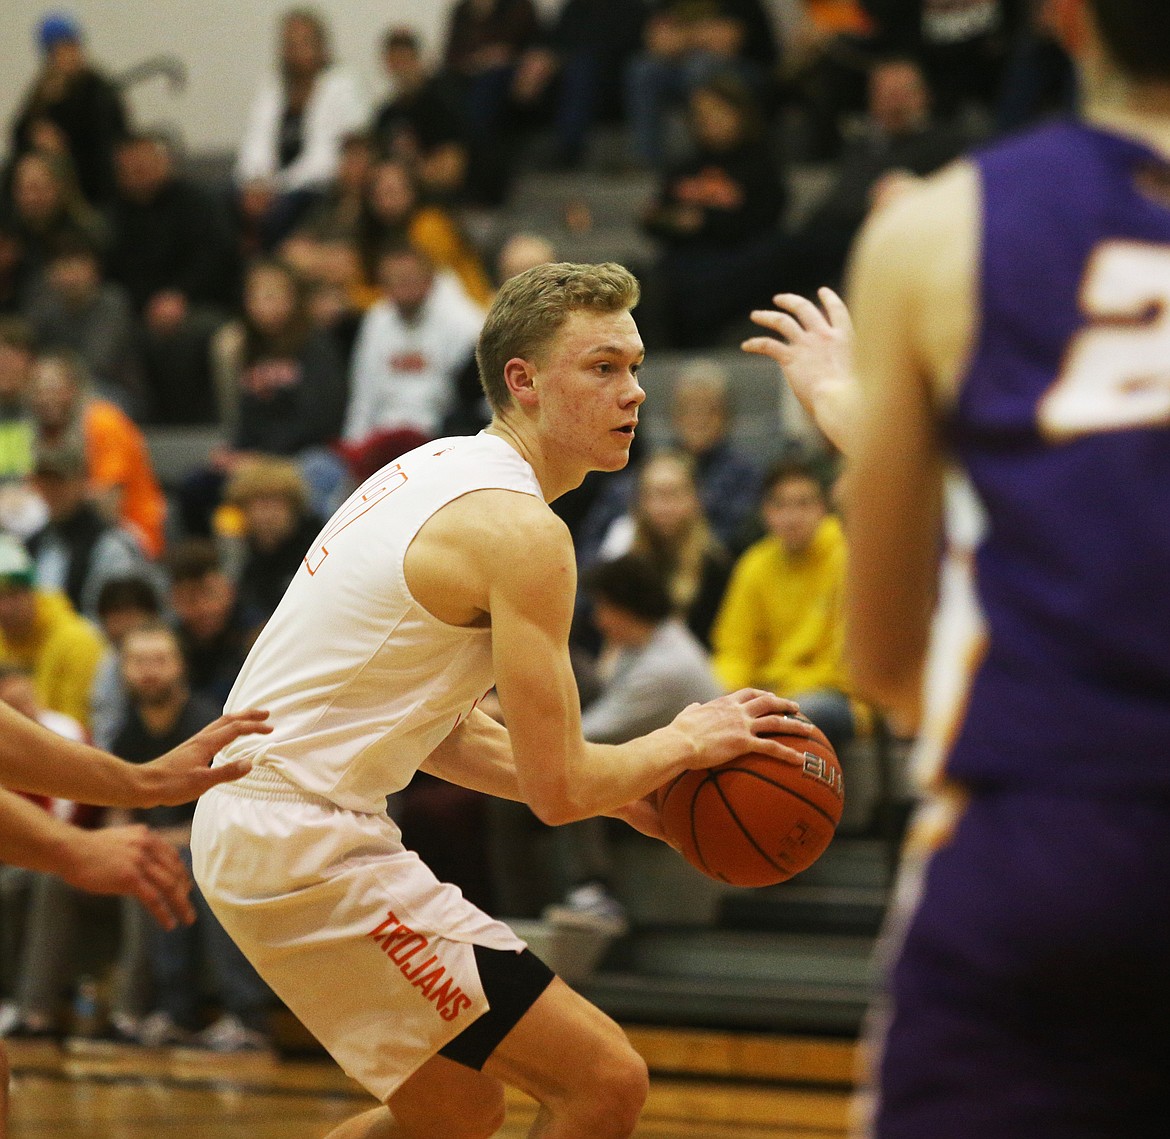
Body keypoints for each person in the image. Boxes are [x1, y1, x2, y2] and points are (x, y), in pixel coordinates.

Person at [191, 260, 808, 1138]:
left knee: (453, 1111)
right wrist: (684, 740)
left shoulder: (437, 469)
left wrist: (628, 792)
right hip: (301, 839)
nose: (633, 392)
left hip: (263, 824)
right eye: (602, 368)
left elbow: (440, 733)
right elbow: (558, 790)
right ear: (522, 381)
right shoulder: (523, 533)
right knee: (602, 1083)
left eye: (634, 367)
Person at [745, 3, 1170, 1135]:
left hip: (1055, 845)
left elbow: (883, 655)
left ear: (1068, 20)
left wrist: (862, 412)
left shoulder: (943, 228)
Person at [112, 623, 272, 1051]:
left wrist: (153, 839)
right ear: (123, 669)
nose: (149, 672)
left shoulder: (204, 723)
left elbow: (223, 803)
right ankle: (166, 1014)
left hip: (224, 839)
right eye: (139, 661)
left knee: (186, 868)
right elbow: (117, 812)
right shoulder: (126, 733)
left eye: (159, 660)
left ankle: (246, 1017)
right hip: (166, 844)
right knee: (142, 863)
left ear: (180, 666)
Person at [709, 456, 857, 757]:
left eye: (803, 504)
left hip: (837, 699)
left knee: (790, 716)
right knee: (703, 709)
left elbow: (846, 668)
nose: (792, 516)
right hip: (770, 693)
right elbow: (733, 651)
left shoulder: (848, 558)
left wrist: (776, 694)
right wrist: (729, 694)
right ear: (766, 512)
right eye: (781, 505)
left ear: (823, 508)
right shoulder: (754, 564)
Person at [235, 7, 369, 250]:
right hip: (270, 186)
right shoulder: (272, 86)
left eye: (303, 43)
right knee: (223, 201)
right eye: (289, 43)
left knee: (281, 211)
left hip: (317, 188)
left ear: (322, 46)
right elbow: (255, 141)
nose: (295, 51)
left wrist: (276, 188)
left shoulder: (342, 85)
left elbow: (327, 157)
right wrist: (255, 183)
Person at [8, 12, 128, 209]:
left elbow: (107, 138)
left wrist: (63, 139)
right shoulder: (42, 90)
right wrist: (35, 132)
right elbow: (18, 134)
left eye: (70, 46)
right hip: (51, 192)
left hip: (93, 189)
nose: (66, 55)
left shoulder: (98, 88)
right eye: (57, 50)